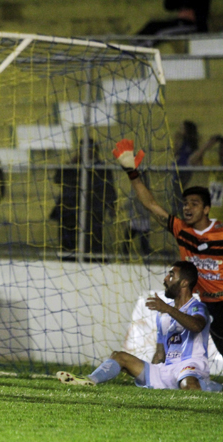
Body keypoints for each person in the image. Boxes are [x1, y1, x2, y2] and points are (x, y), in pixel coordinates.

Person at [113, 138, 223, 356]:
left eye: (194, 204)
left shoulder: (220, 233)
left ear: (207, 209)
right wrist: (132, 173)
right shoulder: (181, 230)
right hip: (207, 304)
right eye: (185, 203)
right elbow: (151, 205)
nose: (188, 208)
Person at [57, 261, 221, 392]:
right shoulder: (163, 313)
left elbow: (196, 325)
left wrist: (168, 309)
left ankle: (216, 388)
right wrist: (152, 373)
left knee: (189, 385)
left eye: (171, 275)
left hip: (190, 367)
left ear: (184, 282)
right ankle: (89, 380)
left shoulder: (197, 307)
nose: (165, 279)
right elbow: (160, 353)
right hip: (167, 369)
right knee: (119, 356)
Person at [51, 139, 116, 256]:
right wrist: (72, 162)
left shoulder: (101, 168)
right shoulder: (73, 165)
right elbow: (57, 179)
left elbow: (109, 188)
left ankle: (93, 260)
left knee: (92, 240)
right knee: (68, 241)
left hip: (92, 210)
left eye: (89, 149)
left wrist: (111, 206)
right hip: (70, 209)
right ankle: (68, 260)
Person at [170, 121, 218, 214]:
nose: (179, 131)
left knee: (181, 197)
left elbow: (195, 159)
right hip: (178, 173)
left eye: (182, 128)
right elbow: (175, 153)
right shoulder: (181, 143)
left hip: (185, 173)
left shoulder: (192, 146)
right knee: (176, 198)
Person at [134, 0, 210, 47]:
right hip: (179, 22)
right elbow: (168, 5)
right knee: (152, 25)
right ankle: (133, 43)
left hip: (192, 25)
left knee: (162, 33)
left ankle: (141, 48)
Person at [123, 171, 153, 257]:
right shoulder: (135, 190)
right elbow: (129, 202)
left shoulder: (146, 191)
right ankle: (125, 258)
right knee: (128, 239)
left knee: (143, 242)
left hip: (143, 220)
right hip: (135, 219)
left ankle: (146, 258)